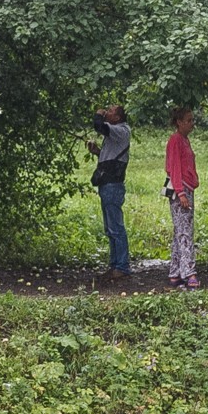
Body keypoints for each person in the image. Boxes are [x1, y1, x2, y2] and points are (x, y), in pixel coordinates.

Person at [88, 104, 131, 282]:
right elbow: (112, 156)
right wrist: (98, 152)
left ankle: (121, 266)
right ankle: (115, 265)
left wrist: (98, 114)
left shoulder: (121, 130)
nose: (107, 112)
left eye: (111, 111)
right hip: (107, 183)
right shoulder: (116, 133)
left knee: (116, 227)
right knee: (110, 227)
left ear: (118, 117)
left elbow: (99, 126)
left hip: (113, 185)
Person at [165, 107, 200, 289]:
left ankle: (175, 272)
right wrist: (180, 192)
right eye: (189, 120)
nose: (192, 124)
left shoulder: (185, 140)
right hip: (182, 189)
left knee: (180, 230)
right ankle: (189, 272)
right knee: (185, 232)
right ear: (179, 122)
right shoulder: (175, 140)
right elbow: (174, 168)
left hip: (188, 187)